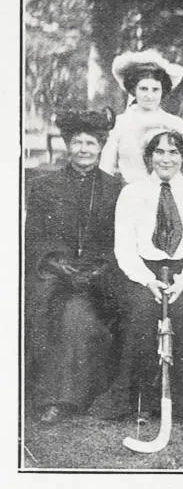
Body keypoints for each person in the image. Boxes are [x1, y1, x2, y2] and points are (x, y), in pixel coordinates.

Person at [90, 130, 183, 419]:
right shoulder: (132, 192)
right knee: (142, 314)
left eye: (173, 153)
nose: (166, 159)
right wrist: (146, 279)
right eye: (159, 152)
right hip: (142, 272)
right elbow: (124, 247)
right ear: (149, 157)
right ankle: (142, 401)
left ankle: (181, 402)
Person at [25, 109, 123, 424]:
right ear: (69, 145)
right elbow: (36, 237)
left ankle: (68, 398)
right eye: (77, 142)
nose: (83, 149)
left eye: (90, 143)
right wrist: (60, 266)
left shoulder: (114, 188)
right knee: (56, 312)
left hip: (100, 279)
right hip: (54, 275)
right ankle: (55, 397)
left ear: (101, 147)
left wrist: (96, 272)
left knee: (79, 315)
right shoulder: (45, 185)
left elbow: (117, 241)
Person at [99, 49, 183, 186]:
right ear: (133, 90)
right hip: (132, 195)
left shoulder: (175, 124)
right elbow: (106, 167)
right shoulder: (120, 123)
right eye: (143, 89)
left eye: (155, 90)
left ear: (163, 91)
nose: (149, 96)